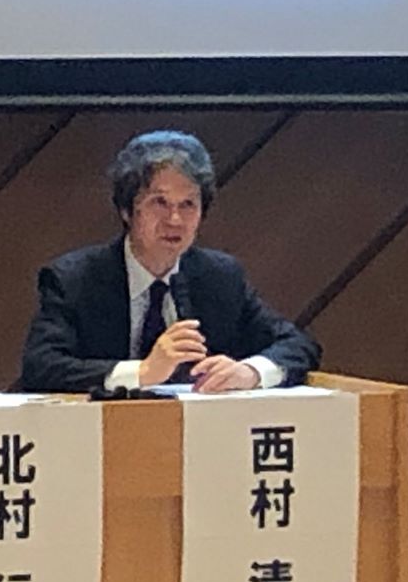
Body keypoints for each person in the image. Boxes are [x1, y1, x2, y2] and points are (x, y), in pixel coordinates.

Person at [19, 130, 321, 393]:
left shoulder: (220, 277)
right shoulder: (75, 279)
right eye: (159, 203)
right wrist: (142, 372)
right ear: (126, 210)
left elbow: (298, 345)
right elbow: (42, 366)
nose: (175, 220)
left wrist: (251, 372)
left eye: (188, 204)